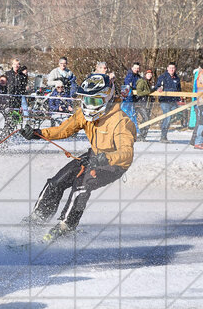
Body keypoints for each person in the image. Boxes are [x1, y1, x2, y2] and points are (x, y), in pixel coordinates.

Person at [20, 73, 136, 240]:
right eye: (86, 100)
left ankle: (66, 225)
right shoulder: (84, 114)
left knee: (81, 185)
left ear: (107, 98)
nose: (89, 105)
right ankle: (38, 217)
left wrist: (105, 158)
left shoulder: (121, 121)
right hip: (94, 155)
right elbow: (63, 129)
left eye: (94, 101)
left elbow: (127, 154)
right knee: (57, 181)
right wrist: (38, 134)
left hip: (113, 164)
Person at [154, 63, 181, 142]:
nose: (172, 69)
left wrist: (179, 97)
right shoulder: (163, 77)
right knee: (167, 117)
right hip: (165, 100)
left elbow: (179, 90)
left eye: (173, 68)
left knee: (172, 117)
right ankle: (163, 136)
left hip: (173, 101)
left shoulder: (177, 78)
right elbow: (157, 86)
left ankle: (163, 129)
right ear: (167, 68)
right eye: (170, 68)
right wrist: (159, 88)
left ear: (175, 69)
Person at [121, 62, 142, 136]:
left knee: (132, 115)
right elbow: (127, 85)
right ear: (132, 68)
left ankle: (132, 130)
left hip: (134, 99)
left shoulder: (138, 76)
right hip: (128, 98)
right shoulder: (129, 75)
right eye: (135, 68)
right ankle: (127, 130)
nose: (137, 69)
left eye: (138, 68)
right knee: (128, 114)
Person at [134, 68, 154, 140]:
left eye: (150, 74)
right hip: (140, 103)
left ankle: (143, 135)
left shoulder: (149, 82)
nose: (149, 75)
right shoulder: (142, 81)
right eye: (148, 74)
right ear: (145, 74)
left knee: (146, 120)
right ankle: (141, 135)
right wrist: (148, 92)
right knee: (146, 119)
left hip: (147, 104)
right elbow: (139, 92)